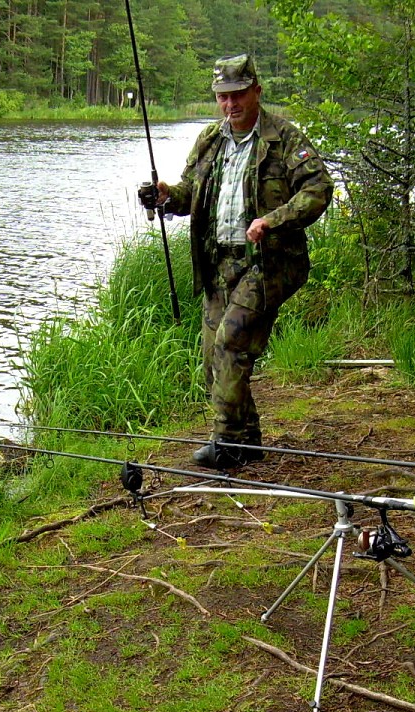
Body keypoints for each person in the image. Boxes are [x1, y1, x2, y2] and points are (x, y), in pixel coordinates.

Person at [139, 54, 333, 469]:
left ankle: (226, 444)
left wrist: (272, 220)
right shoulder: (210, 140)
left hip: (269, 262)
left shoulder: (283, 138)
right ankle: (248, 440)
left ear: (256, 92)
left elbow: (319, 189)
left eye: (238, 94)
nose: (231, 104)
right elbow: (190, 194)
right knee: (213, 358)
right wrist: (164, 195)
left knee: (230, 343)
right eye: (223, 97)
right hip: (218, 265)